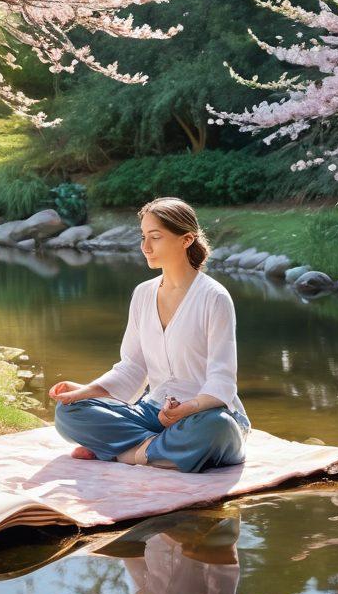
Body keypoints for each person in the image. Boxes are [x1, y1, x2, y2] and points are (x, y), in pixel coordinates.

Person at [50, 196, 250, 473]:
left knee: (219, 429)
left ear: (186, 239)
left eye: (155, 237)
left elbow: (222, 381)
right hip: (153, 412)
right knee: (69, 412)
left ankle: (124, 452)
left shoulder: (214, 297)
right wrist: (88, 391)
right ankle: (159, 452)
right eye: (143, 236)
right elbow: (132, 367)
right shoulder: (143, 294)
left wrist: (188, 408)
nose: (145, 247)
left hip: (203, 414)